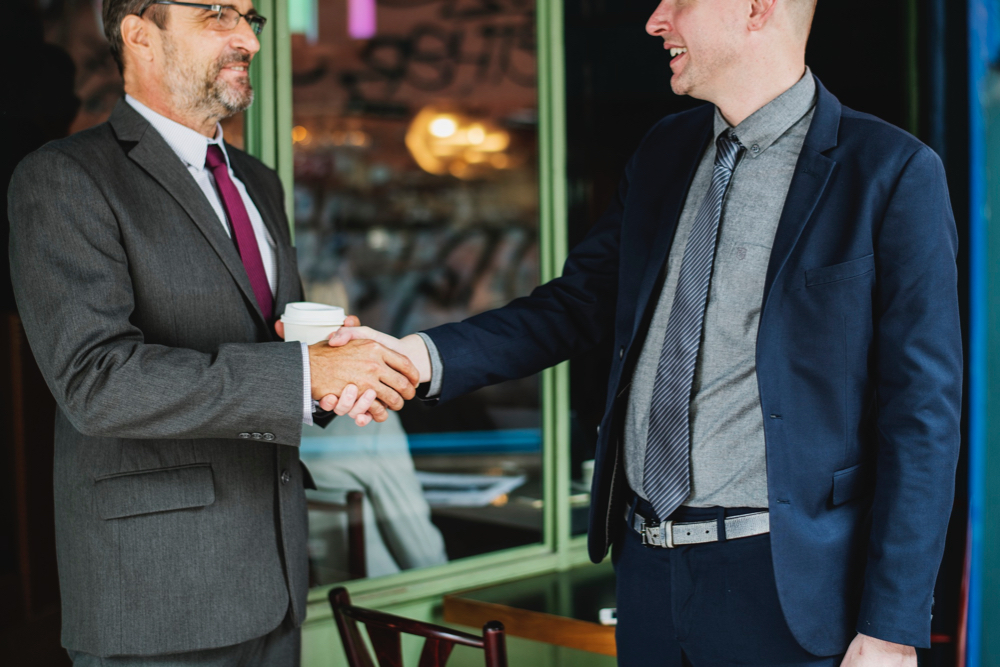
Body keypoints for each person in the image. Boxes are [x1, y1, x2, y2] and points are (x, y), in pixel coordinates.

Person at [328, 0, 962, 665]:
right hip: (647, 575)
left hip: (788, 589)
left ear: (754, 9)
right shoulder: (664, 150)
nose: (657, 21)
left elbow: (922, 417)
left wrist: (889, 627)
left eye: (678, 1)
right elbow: (572, 307)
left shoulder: (890, 173)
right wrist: (416, 358)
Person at [6, 0, 418, 663]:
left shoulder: (259, 182)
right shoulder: (64, 178)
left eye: (250, 18)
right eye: (219, 14)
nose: (248, 40)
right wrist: (306, 373)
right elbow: (95, 381)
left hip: (279, 587)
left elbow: (280, 361)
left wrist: (334, 379)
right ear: (140, 34)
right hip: (159, 603)